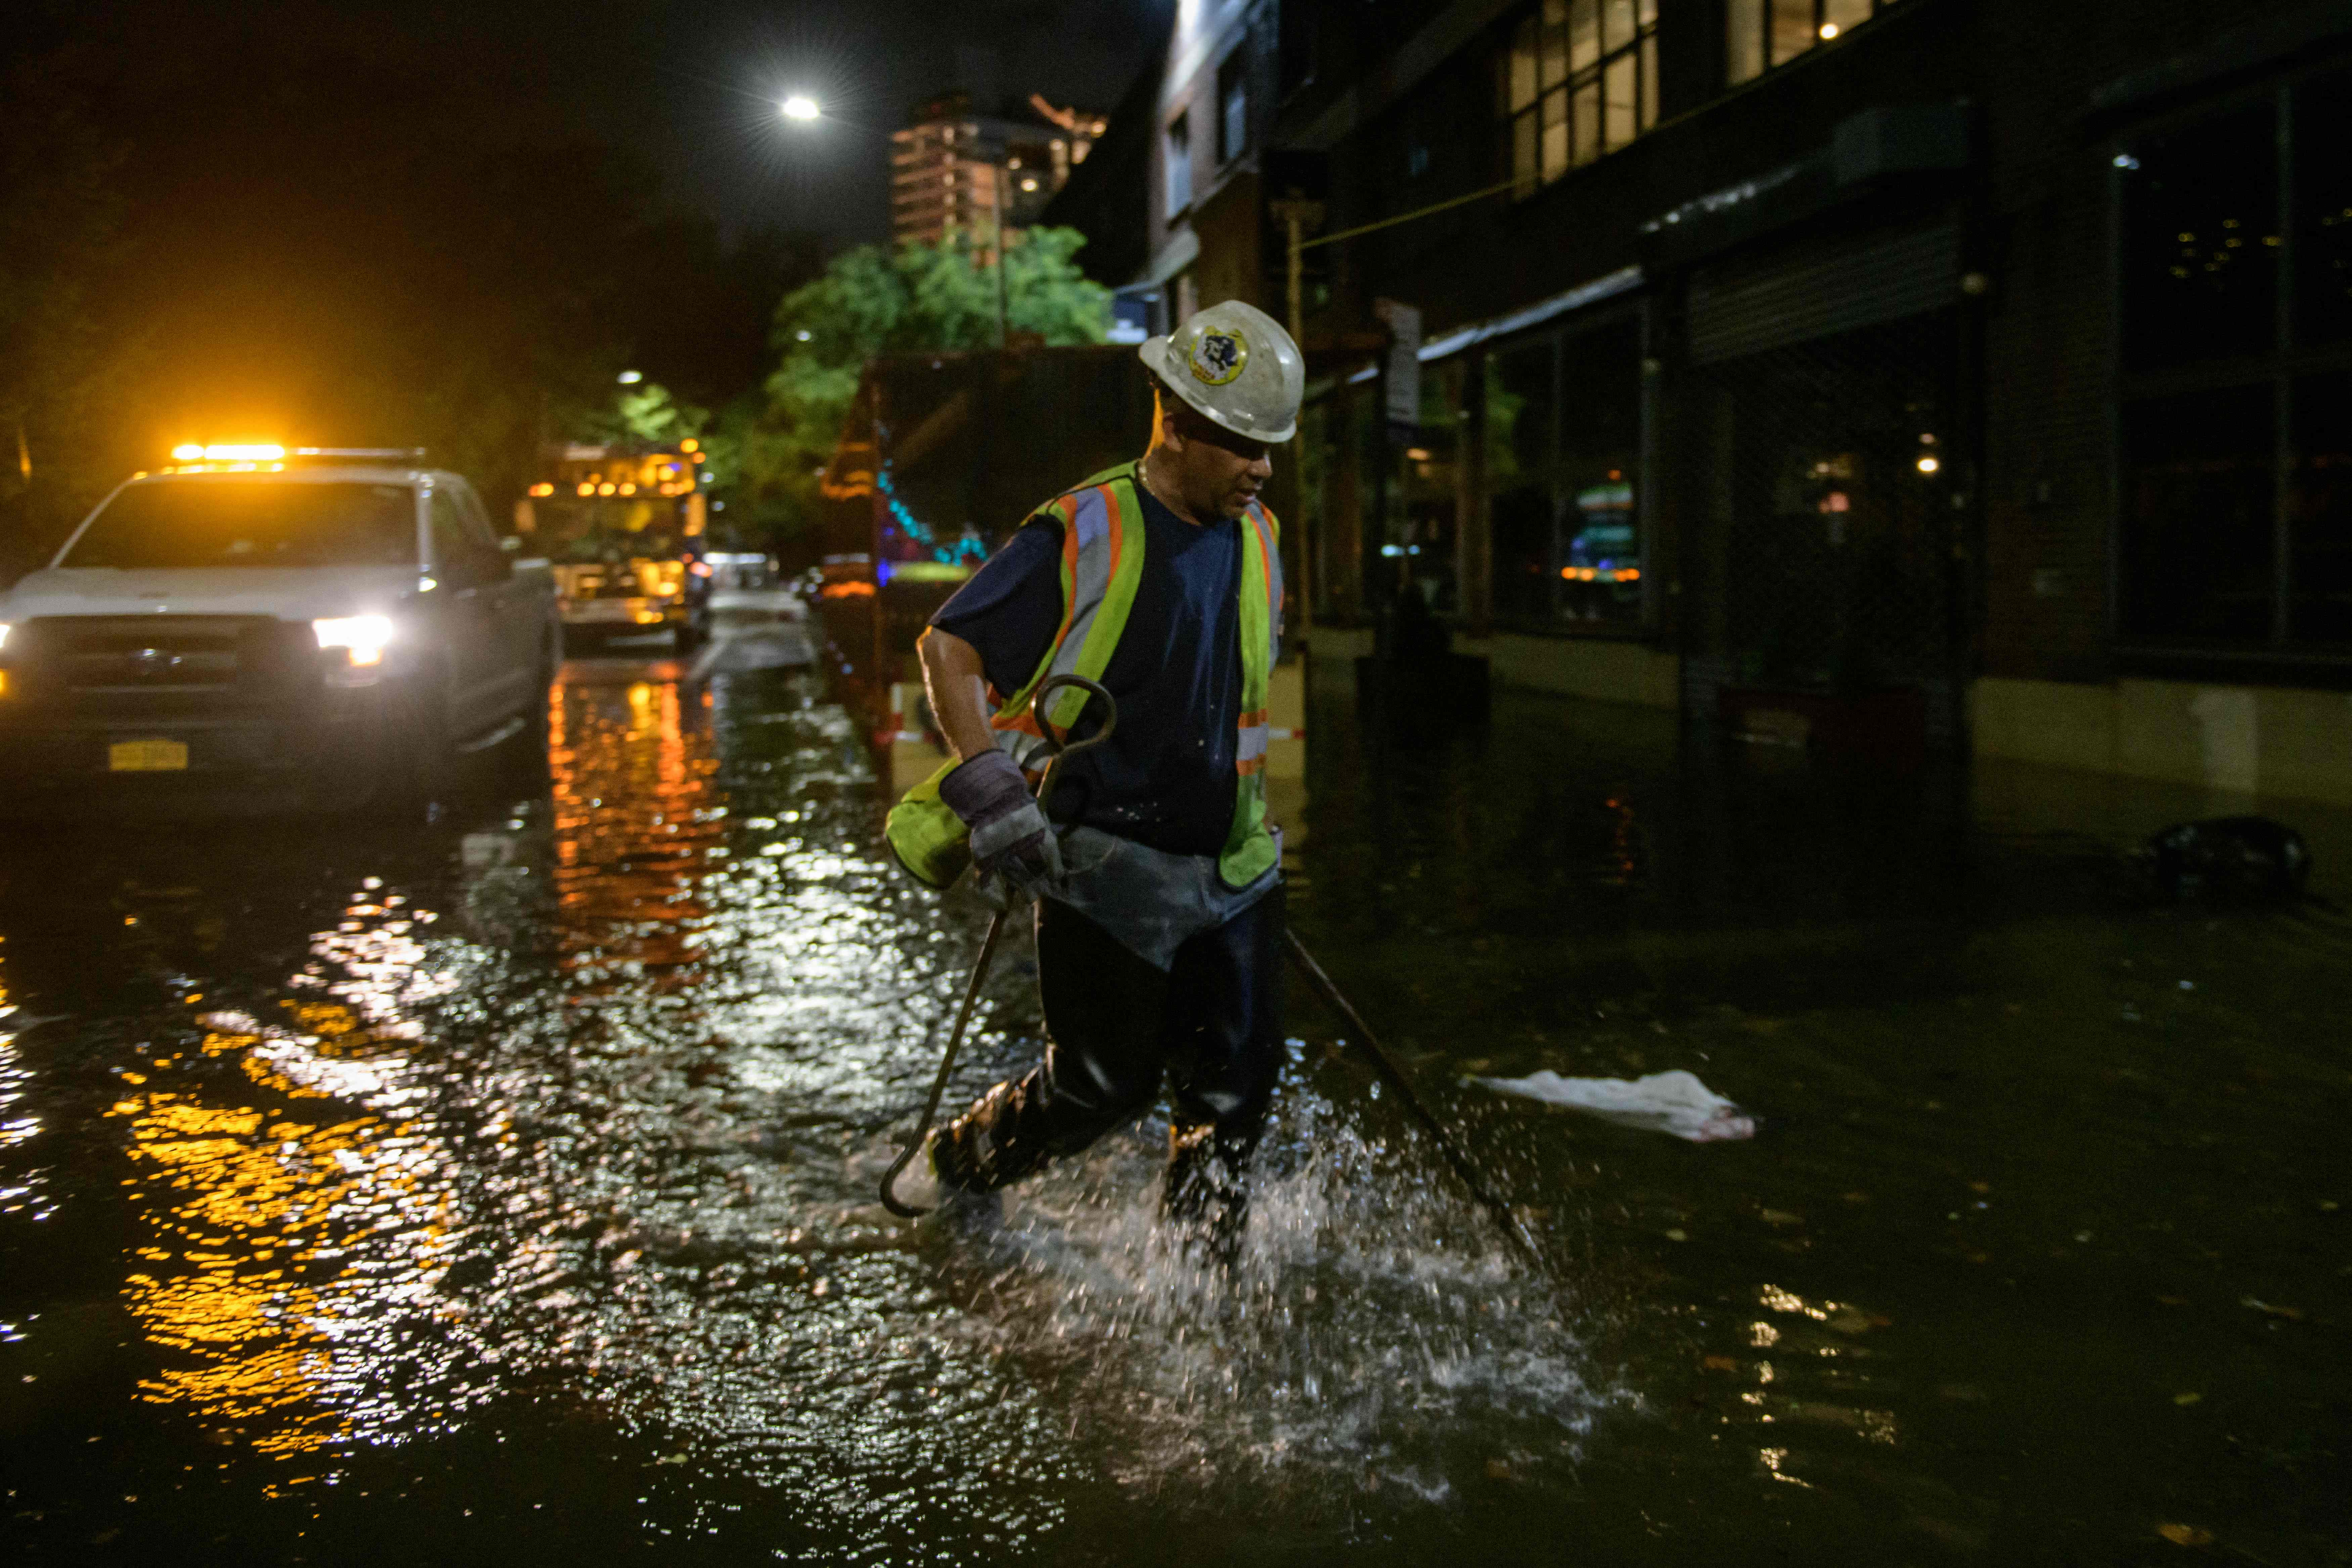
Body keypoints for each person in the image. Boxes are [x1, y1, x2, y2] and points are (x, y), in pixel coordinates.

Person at [882, 299, 1305, 1260]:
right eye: (1244, 442)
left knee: (1234, 1095)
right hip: (1102, 864)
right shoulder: (1086, 527)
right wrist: (989, 786)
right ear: (1179, 422)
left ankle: (1198, 1288)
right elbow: (948, 645)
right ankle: (959, 1163)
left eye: (1272, 446)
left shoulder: (1259, 536)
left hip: (1232, 867)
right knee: (1096, 1091)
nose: (1262, 467)